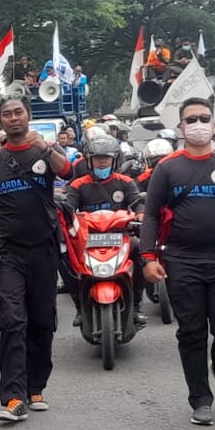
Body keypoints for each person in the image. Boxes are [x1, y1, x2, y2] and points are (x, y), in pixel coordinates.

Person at [139, 97, 215, 426]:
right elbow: (151, 215)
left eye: (203, 118)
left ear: (214, 124)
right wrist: (148, 256)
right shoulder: (168, 167)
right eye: (190, 119)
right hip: (181, 260)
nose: (197, 124)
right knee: (192, 332)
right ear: (181, 127)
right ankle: (200, 398)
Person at [0, 94, 69, 422]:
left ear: (28, 116)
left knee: (42, 321)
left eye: (19, 113)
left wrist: (47, 148)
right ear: (0, 121)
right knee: (12, 319)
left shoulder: (44, 151)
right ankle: (13, 397)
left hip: (44, 248)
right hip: (9, 252)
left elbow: (67, 170)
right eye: (7, 114)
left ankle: (36, 386)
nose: (13, 118)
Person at [63, 129, 146, 327]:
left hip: (120, 235)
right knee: (63, 257)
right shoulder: (78, 185)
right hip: (87, 238)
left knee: (143, 251)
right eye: (97, 158)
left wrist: (141, 216)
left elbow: (137, 204)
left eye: (106, 158)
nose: (102, 162)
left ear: (114, 160)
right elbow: (68, 208)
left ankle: (136, 306)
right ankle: (79, 306)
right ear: (89, 161)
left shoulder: (125, 182)